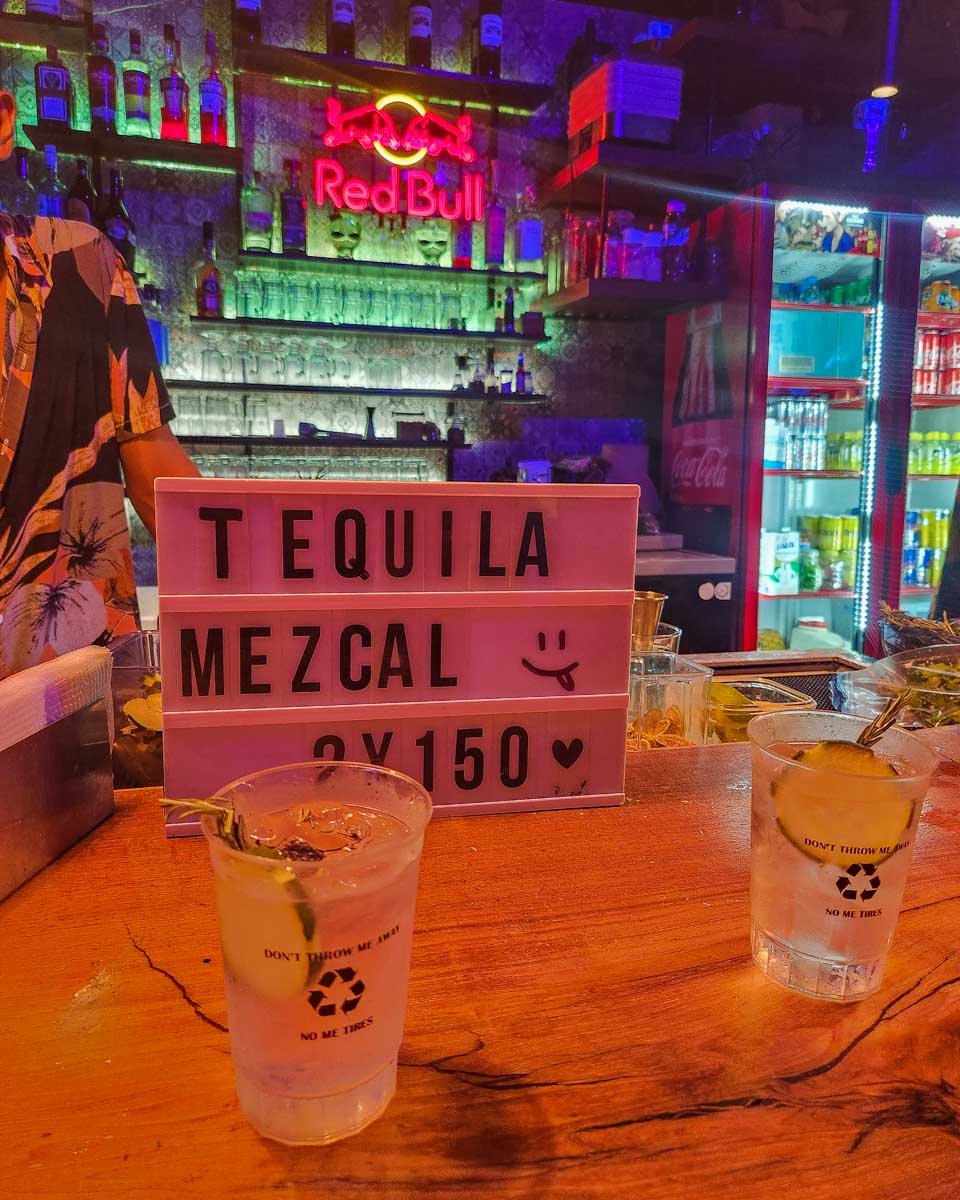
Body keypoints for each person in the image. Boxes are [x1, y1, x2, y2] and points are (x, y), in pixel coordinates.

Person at [0, 88, 198, 678]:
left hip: (71, 724)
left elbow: (160, 482)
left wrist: (302, 590)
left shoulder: (85, 269)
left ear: (4, 119)